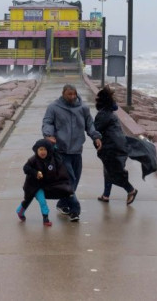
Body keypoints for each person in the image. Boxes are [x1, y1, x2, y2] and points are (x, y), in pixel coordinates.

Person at [42, 83, 102, 222]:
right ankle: (75, 210)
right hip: (61, 150)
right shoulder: (54, 107)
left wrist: (96, 137)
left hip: (77, 150)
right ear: (63, 94)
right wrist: (48, 135)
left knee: (75, 180)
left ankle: (62, 203)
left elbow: (90, 125)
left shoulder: (83, 108)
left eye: (74, 94)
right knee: (70, 180)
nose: (72, 96)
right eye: (69, 94)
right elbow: (47, 122)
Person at [93, 86, 138, 204]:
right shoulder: (111, 112)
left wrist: (97, 144)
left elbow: (95, 131)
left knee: (114, 173)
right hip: (118, 146)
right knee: (108, 171)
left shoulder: (103, 115)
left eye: (97, 98)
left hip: (111, 148)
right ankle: (106, 195)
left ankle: (131, 190)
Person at [16, 138, 73, 226]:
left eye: (45, 149)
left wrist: (55, 145)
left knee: (42, 202)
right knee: (27, 201)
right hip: (31, 186)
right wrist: (35, 173)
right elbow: (25, 168)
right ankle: (20, 212)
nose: (43, 152)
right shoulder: (33, 160)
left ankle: (45, 219)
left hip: (41, 187)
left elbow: (57, 156)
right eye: (40, 149)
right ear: (36, 150)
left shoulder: (51, 159)